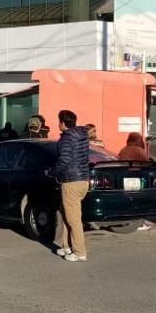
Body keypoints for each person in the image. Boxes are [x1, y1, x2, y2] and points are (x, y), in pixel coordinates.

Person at [53, 109, 91, 262]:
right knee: (66, 213)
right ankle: (66, 246)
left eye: (59, 121)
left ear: (62, 123)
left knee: (73, 219)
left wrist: (52, 172)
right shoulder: (82, 136)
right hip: (83, 179)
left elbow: (64, 160)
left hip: (71, 181)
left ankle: (79, 252)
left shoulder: (66, 139)